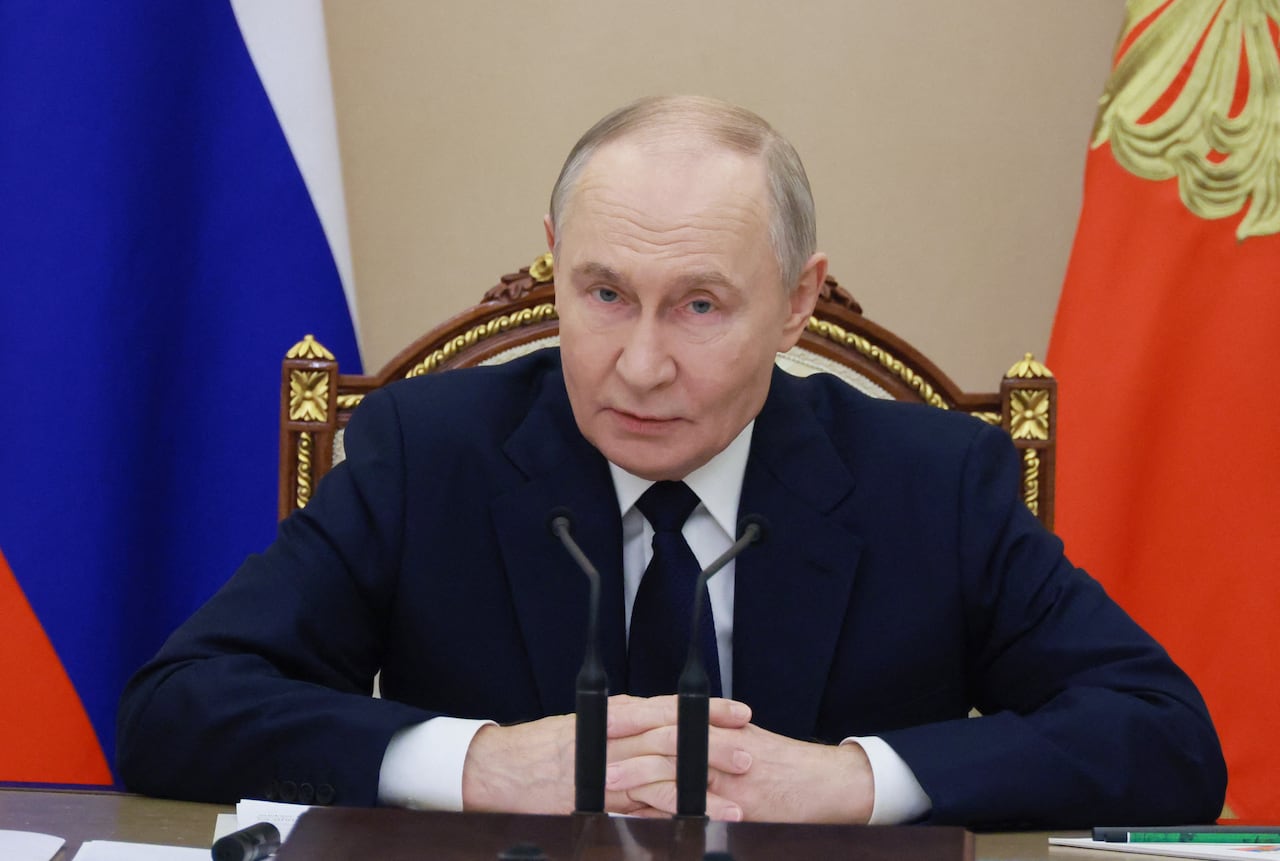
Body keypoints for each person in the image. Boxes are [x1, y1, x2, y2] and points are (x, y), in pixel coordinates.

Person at [117, 95, 1225, 828]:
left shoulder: (931, 484)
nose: (637, 367)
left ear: (796, 303)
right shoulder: (427, 454)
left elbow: (1162, 740)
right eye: (601, 294)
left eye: (698, 305)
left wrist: (853, 781)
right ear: (551, 265)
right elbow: (180, 710)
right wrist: (476, 766)